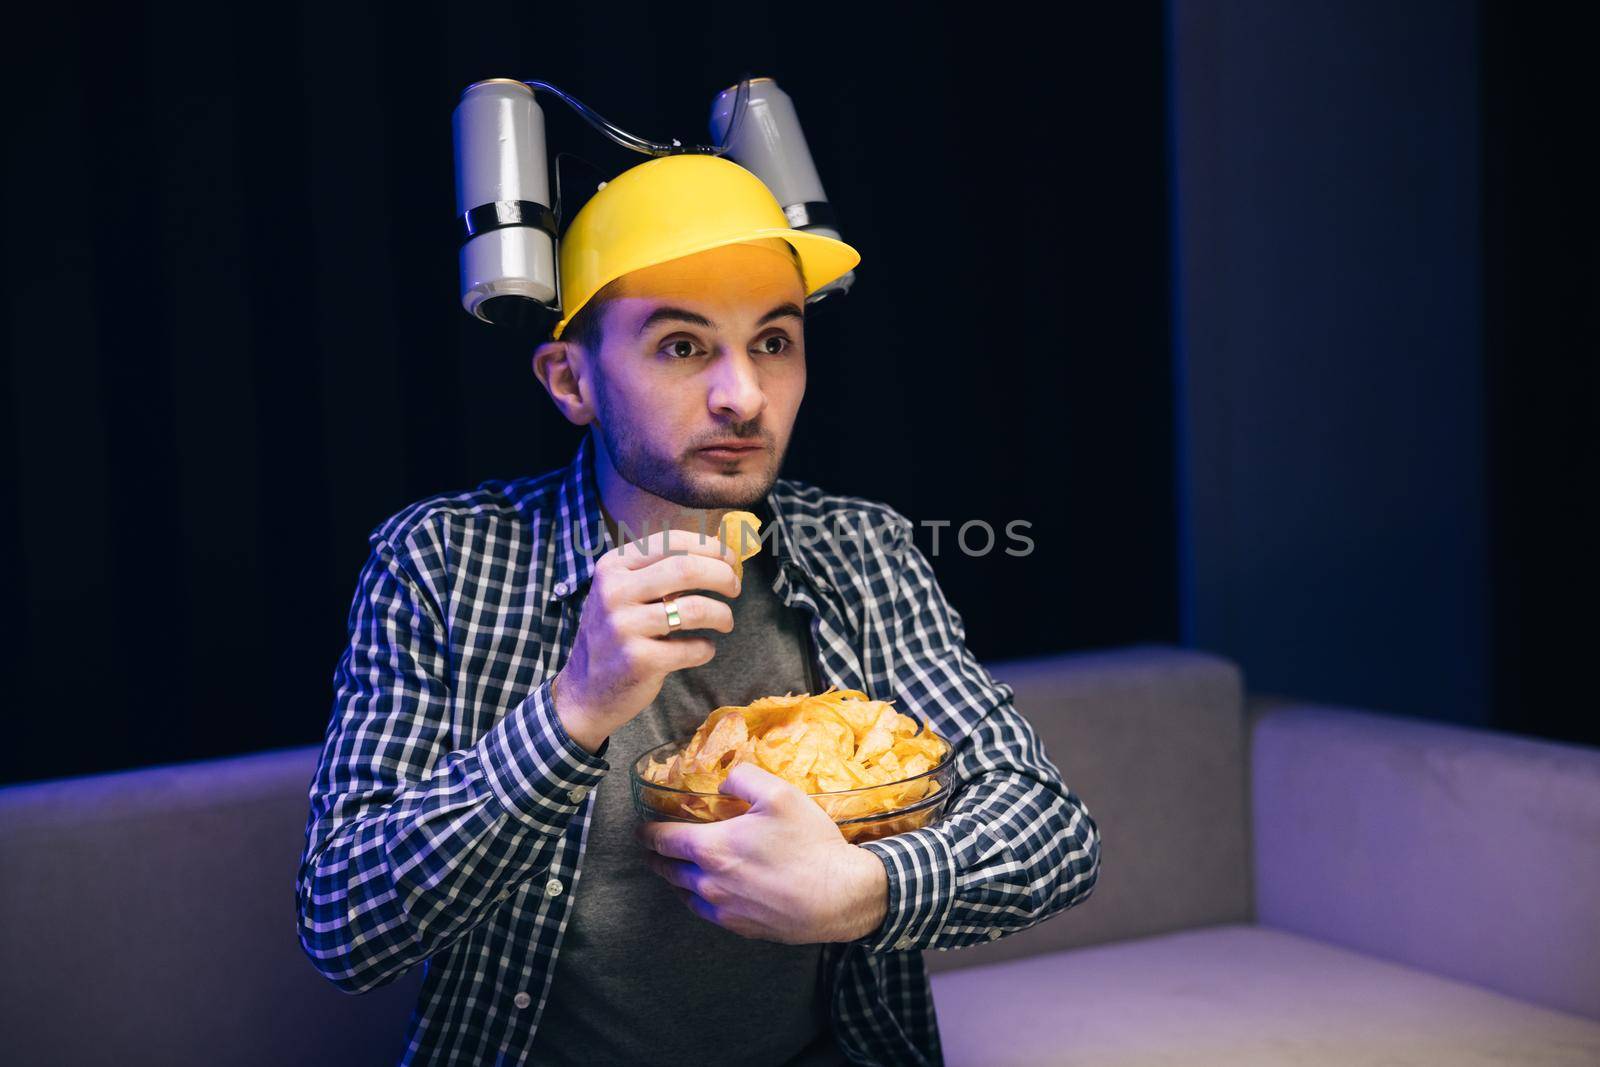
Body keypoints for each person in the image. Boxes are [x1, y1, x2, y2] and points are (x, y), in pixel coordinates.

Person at [296, 153, 1100, 1067]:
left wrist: (861, 888)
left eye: (773, 341)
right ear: (571, 380)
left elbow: (1051, 828)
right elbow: (341, 924)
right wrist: (575, 709)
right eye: (682, 346)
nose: (743, 396)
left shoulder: (864, 550)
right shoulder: (442, 559)